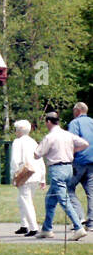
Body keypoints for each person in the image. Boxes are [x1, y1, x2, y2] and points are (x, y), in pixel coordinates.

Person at [34, 111, 89, 240]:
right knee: (50, 199)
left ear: (48, 122)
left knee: (64, 200)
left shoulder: (50, 137)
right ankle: (47, 229)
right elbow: (85, 144)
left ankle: (78, 227)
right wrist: (72, 150)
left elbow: (37, 154)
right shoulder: (67, 134)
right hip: (69, 168)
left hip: (57, 169)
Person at [9, 119, 44, 237]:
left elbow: (15, 160)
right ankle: (24, 225)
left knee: (26, 201)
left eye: (16, 129)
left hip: (24, 175)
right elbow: (40, 159)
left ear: (19, 130)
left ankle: (33, 227)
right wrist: (43, 177)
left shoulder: (17, 142)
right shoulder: (33, 142)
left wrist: (13, 175)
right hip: (36, 174)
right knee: (23, 200)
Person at [68, 101, 93, 230]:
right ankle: (92, 222)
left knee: (69, 188)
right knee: (91, 192)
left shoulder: (74, 123)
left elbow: (72, 141)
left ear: (77, 111)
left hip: (79, 161)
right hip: (92, 162)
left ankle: (79, 217)